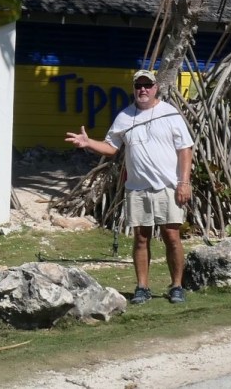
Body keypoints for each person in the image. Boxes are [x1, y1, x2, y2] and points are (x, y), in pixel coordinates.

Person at [64, 69, 194, 305]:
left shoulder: (170, 113)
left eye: (147, 85)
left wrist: (183, 182)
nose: (143, 89)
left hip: (167, 186)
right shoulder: (124, 116)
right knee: (141, 238)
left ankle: (177, 286)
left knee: (171, 236)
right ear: (133, 89)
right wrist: (88, 142)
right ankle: (142, 287)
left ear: (155, 88)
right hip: (137, 187)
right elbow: (111, 148)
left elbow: (185, 149)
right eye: (138, 86)